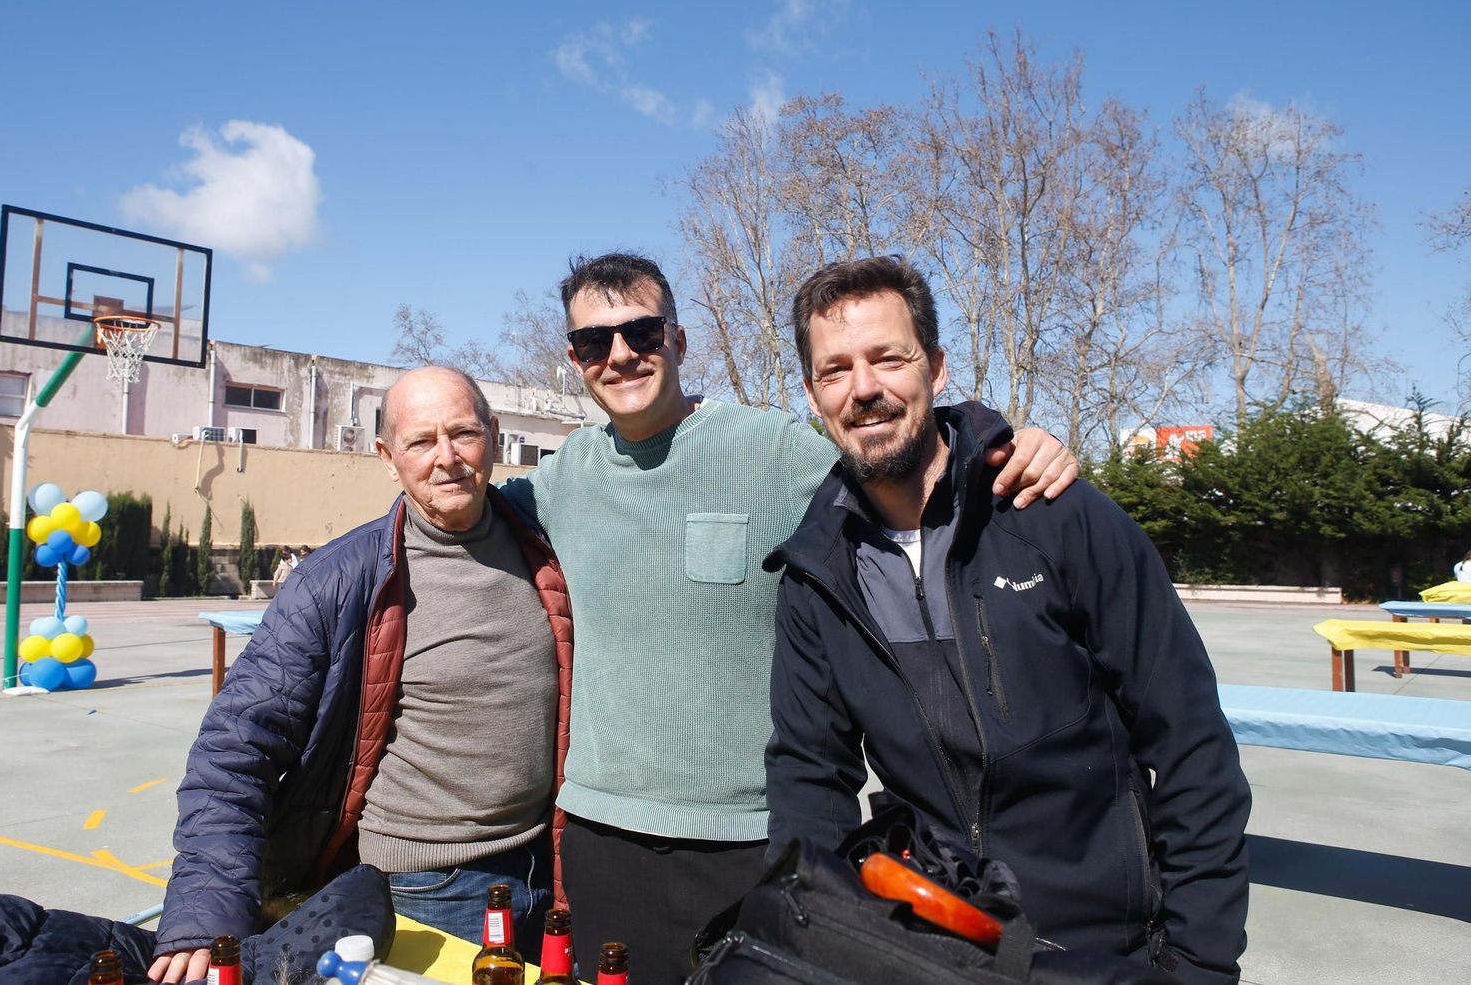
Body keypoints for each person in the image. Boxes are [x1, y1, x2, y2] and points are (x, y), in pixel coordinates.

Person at [500, 252, 1080, 982]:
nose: (621, 356)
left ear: (678, 342)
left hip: (754, 844)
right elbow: (453, 514)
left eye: (642, 333)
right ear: (575, 359)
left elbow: (904, 462)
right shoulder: (563, 479)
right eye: (595, 343)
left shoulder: (775, 451)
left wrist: (1007, 445)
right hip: (603, 839)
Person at [763, 256, 1250, 985]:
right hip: (933, 947)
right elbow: (808, 779)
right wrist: (812, 944)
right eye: (836, 370)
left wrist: (1201, 964)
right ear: (812, 393)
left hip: (1103, 955)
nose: (864, 388)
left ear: (935, 366)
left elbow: (1192, 749)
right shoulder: (816, 569)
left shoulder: (1056, 515)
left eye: (887, 358)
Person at [148, 367, 572, 984]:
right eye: (420, 442)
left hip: (547, 870)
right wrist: (203, 916)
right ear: (386, 456)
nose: (446, 458)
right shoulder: (337, 581)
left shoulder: (546, 548)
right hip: (427, 892)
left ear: (495, 435)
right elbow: (234, 749)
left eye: (464, 434)